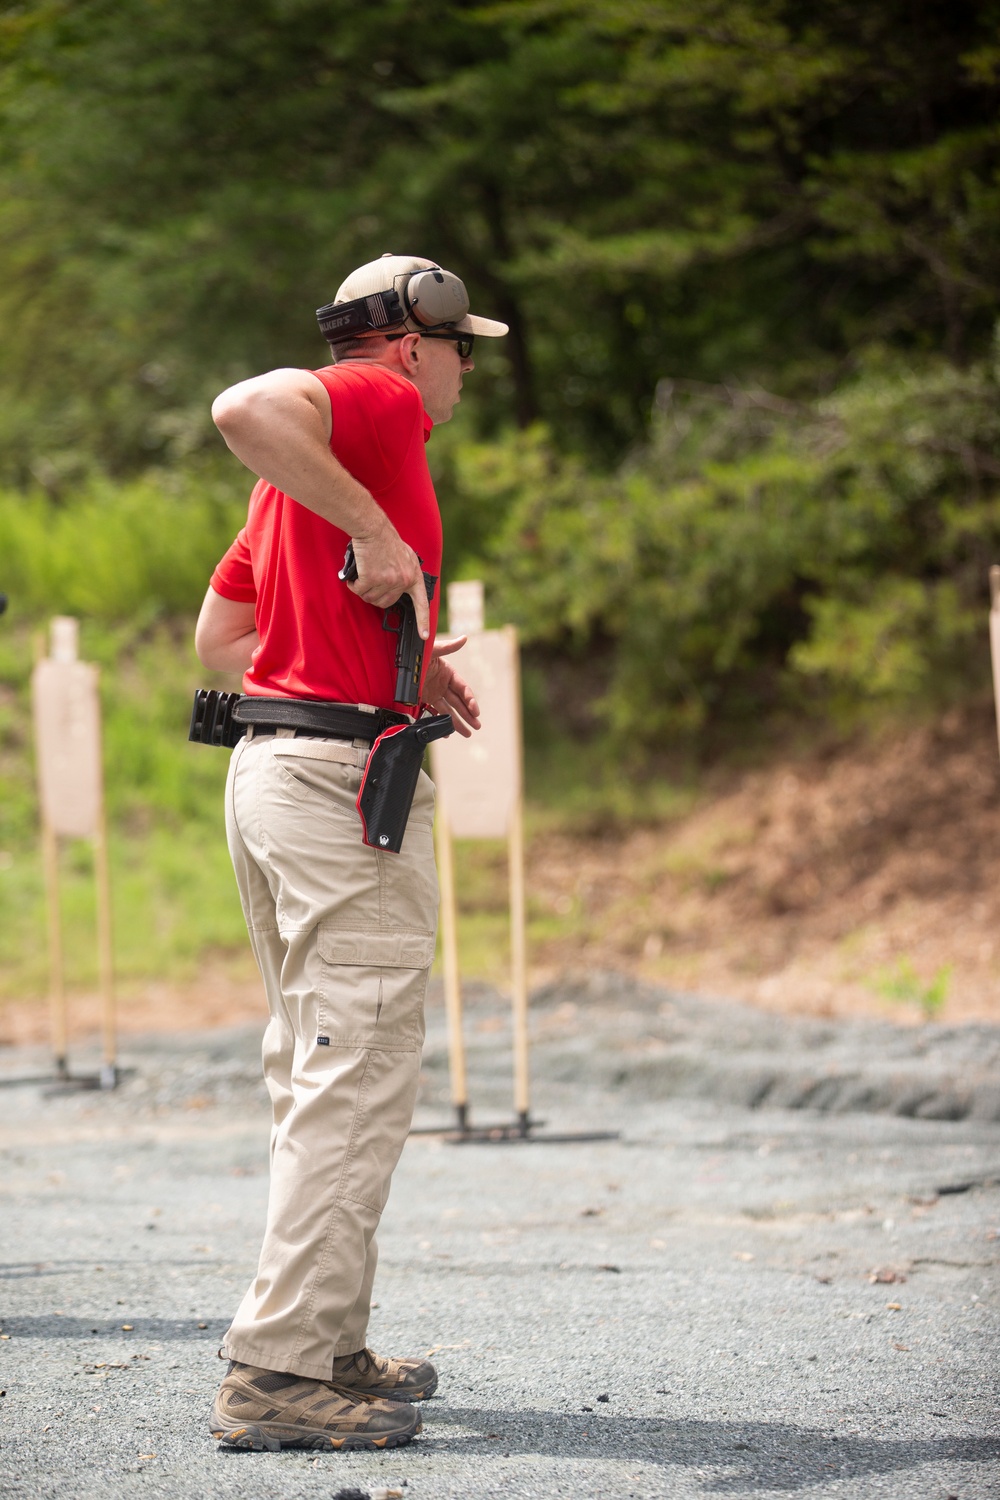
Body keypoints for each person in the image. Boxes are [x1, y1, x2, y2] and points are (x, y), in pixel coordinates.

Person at [194, 253, 506, 1452]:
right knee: (358, 1069)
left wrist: (389, 650)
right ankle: (276, 1375)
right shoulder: (371, 406)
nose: (465, 364)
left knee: (320, 1070)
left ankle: (321, 1343)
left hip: (279, 767)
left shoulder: (298, 490)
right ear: (410, 341)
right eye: (459, 342)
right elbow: (240, 405)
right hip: (333, 784)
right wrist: (382, 540)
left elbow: (225, 633)